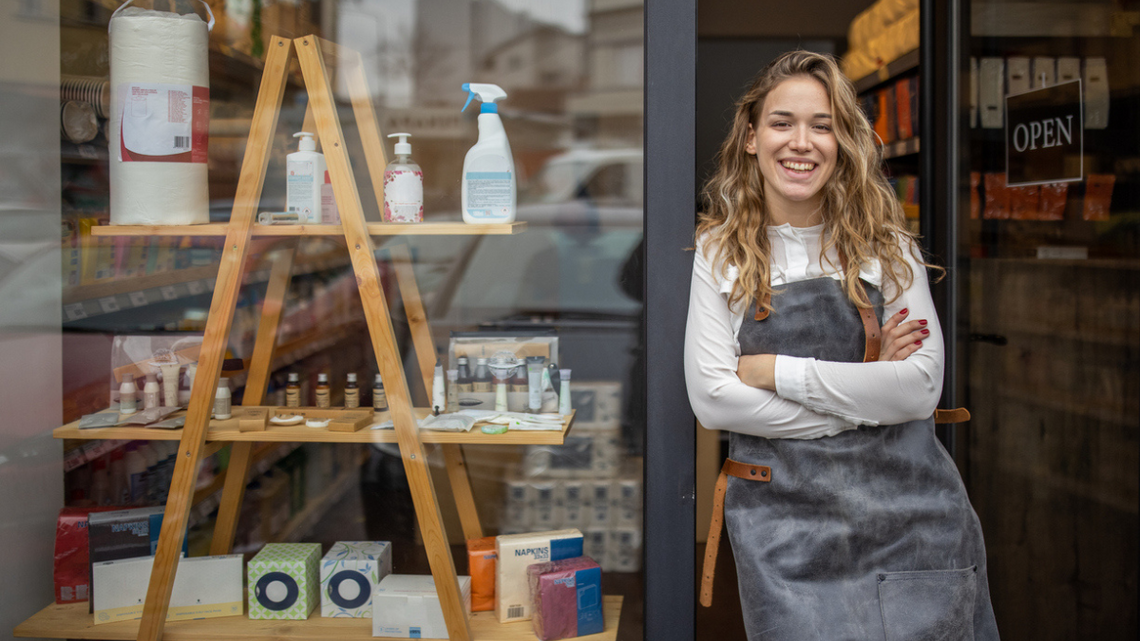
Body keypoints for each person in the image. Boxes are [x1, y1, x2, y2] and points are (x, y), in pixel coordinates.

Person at [684, 51, 999, 640]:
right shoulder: (718, 252)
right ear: (750, 137)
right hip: (787, 536)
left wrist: (770, 369)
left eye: (822, 125)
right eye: (782, 123)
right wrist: (865, 393)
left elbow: (920, 388)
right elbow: (715, 403)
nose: (801, 142)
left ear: (843, 141)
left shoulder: (888, 246)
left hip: (914, 522)